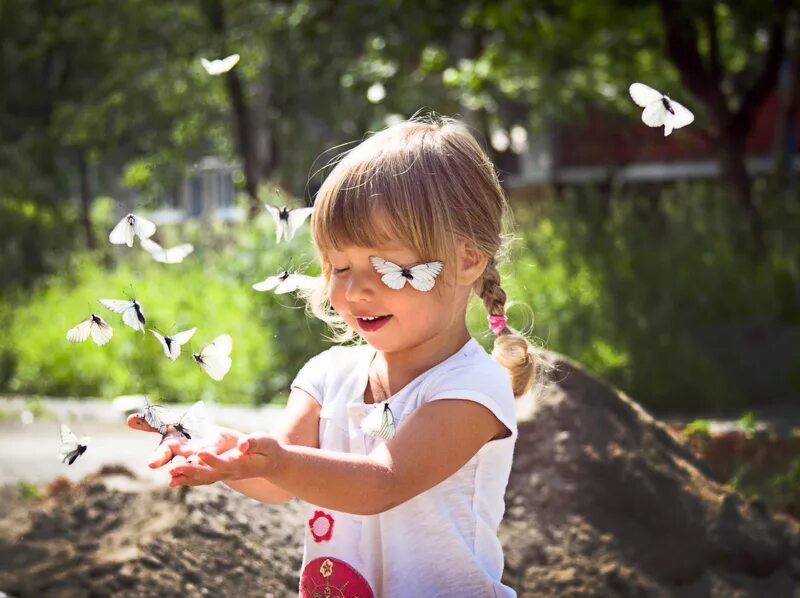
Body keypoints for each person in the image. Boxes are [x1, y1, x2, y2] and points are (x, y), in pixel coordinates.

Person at [131, 115, 539, 597]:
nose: (355, 290)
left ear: (467, 259)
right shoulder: (326, 376)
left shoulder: (472, 390)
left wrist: (276, 462)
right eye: (339, 266)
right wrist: (224, 452)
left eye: (384, 265)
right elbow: (276, 481)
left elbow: (381, 484)